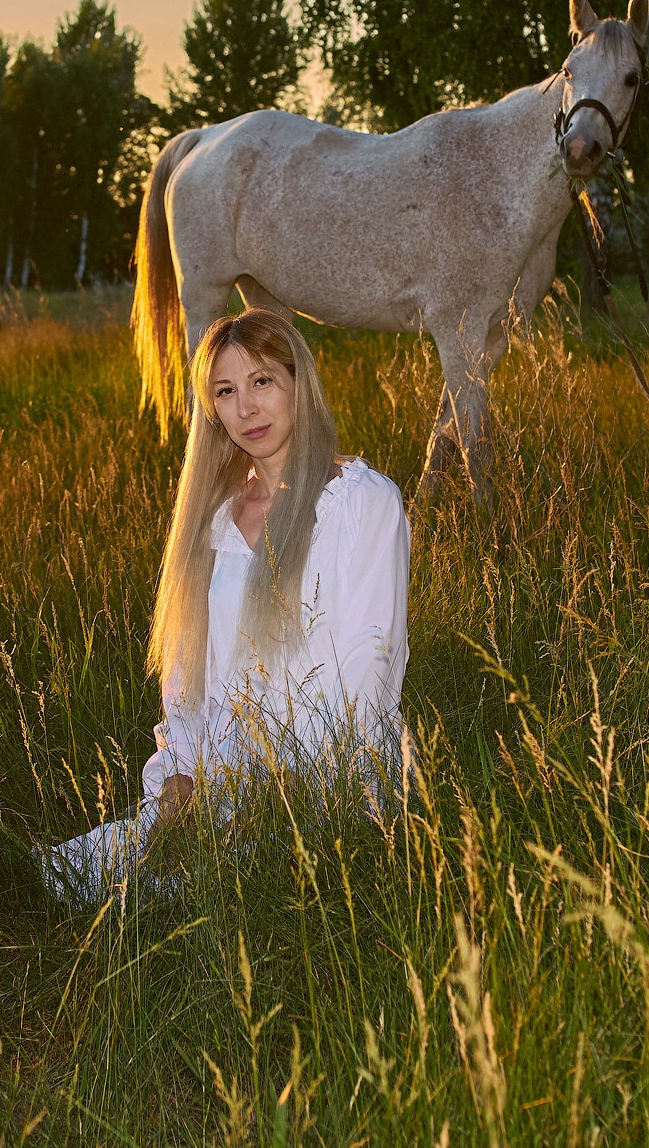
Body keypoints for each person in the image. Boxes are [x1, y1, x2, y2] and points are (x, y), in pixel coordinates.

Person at [41, 308, 410, 901]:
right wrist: (180, 781)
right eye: (226, 391)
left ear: (298, 384)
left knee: (196, 895)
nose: (247, 408)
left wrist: (291, 793)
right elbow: (192, 677)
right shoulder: (213, 518)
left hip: (327, 784)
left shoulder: (361, 502)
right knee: (65, 878)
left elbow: (370, 668)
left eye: (262, 381)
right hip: (224, 776)